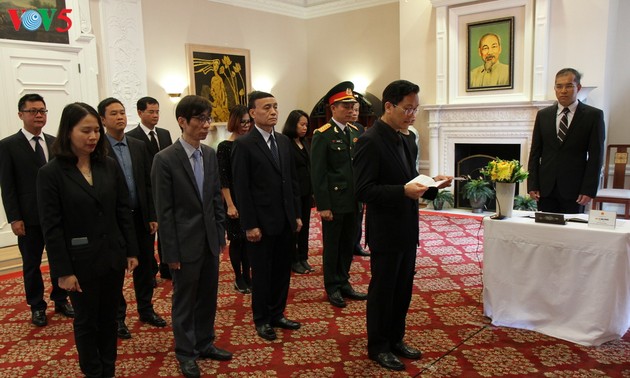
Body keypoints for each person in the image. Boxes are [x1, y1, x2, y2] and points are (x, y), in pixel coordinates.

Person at [354, 80, 452, 371]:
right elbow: (363, 190)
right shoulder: (370, 140)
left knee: (403, 289)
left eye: (416, 109)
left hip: (408, 227)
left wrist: (433, 185)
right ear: (388, 106)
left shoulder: (407, 138)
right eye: (408, 109)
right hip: (385, 229)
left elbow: (410, 180)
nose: (412, 115)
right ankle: (378, 346)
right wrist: (402, 192)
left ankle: (396, 338)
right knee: (384, 289)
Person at [36, 102, 139, 378]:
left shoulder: (108, 165)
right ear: (68, 131)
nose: (93, 136)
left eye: (96, 130)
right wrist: (63, 272)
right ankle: (93, 372)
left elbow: (122, 210)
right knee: (86, 321)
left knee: (110, 318)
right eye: (86, 131)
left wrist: (131, 250)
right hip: (79, 262)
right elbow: (52, 228)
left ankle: (108, 369)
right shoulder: (51, 174)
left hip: (112, 256)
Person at [151, 95, 232, 378]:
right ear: (182, 121)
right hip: (183, 244)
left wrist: (220, 235)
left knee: (208, 296)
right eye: (200, 119)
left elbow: (214, 199)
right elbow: (165, 211)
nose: (206, 125)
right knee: (184, 301)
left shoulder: (209, 154)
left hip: (210, 240)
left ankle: (205, 342)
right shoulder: (165, 159)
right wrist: (169, 253)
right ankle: (186, 353)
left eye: (208, 119)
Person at [231, 91, 302, 342]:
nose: (273, 112)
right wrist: (249, 224)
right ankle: (262, 319)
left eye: (275, 107)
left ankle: (277, 313)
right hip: (260, 223)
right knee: (262, 274)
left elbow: (291, 182)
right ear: (252, 112)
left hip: (284, 220)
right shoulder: (243, 144)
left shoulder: (283, 141)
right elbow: (242, 188)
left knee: (283, 270)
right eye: (266, 108)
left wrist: (295, 215)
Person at [0, 93, 73, 327]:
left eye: (42, 110)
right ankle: (37, 306)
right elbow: (7, 185)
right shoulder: (8, 145)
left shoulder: (54, 141)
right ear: (21, 114)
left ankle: (60, 299)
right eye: (33, 111)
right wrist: (14, 218)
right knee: (31, 263)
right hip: (29, 218)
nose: (39, 115)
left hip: (56, 215)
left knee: (59, 258)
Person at [97, 98, 166, 340]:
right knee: (116, 270)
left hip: (141, 218)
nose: (120, 117)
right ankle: (118, 319)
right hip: (114, 222)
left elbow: (148, 183)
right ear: (103, 120)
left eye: (122, 112)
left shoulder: (138, 145)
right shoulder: (98, 149)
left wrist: (152, 214)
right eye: (113, 114)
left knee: (146, 267)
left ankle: (146, 310)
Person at [311, 81, 367, 309]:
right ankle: (332, 286)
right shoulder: (322, 135)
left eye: (352, 106)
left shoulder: (356, 132)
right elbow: (318, 173)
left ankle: (344, 281)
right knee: (333, 246)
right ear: (333, 109)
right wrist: (323, 206)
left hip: (354, 201)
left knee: (348, 243)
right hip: (334, 202)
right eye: (345, 106)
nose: (350, 110)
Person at [527, 68, 605, 214]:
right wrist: (533, 184)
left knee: (572, 234)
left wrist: (589, 189)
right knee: (545, 231)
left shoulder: (593, 116)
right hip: (546, 189)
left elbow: (596, 156)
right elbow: (535, 153)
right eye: (559, 86)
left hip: (575, 190)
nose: (563, 90)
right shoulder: (543, 115)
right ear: (555, 88)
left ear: (578, 88)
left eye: (569, 86)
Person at [126, 96, 173, 281]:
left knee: (166, 230)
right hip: (146, 192)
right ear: (140, 113)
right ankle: (150, 271)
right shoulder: (131, 137)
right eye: (151, 112)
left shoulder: (164, 133)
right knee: (149, 234)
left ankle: (166, 265)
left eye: (157, 112)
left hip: (165, 190)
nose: (155, 115)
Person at [217, 105, 252, 293]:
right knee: (237, 240)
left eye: (248, 121)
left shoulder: (250, 144)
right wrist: (230, 205)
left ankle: (247, 275)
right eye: (242, 122)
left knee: (249, 240)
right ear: (234, 122)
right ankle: (238, 277)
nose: (245, 126)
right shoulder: (224, 147)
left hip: (248, 199)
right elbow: (223, 179)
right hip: (233, 200)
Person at [281, 109, 314, 274]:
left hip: (306, 191)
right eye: (301, 124)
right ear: (293, 124)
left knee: (306, 225)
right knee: (295, 226)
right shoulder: (285, 142)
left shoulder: (305, 142)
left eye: (306, 125)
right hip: (294, 192)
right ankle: (293, 259)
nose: (304, 128)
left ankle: (303, 257)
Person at [349, 101, 370, 257]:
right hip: (345, 182)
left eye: (357, 110)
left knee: (358, 215)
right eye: (352, 109)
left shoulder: (359, 129)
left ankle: (356, 244)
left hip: (358, 179)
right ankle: (348, 244)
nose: (355, 113)